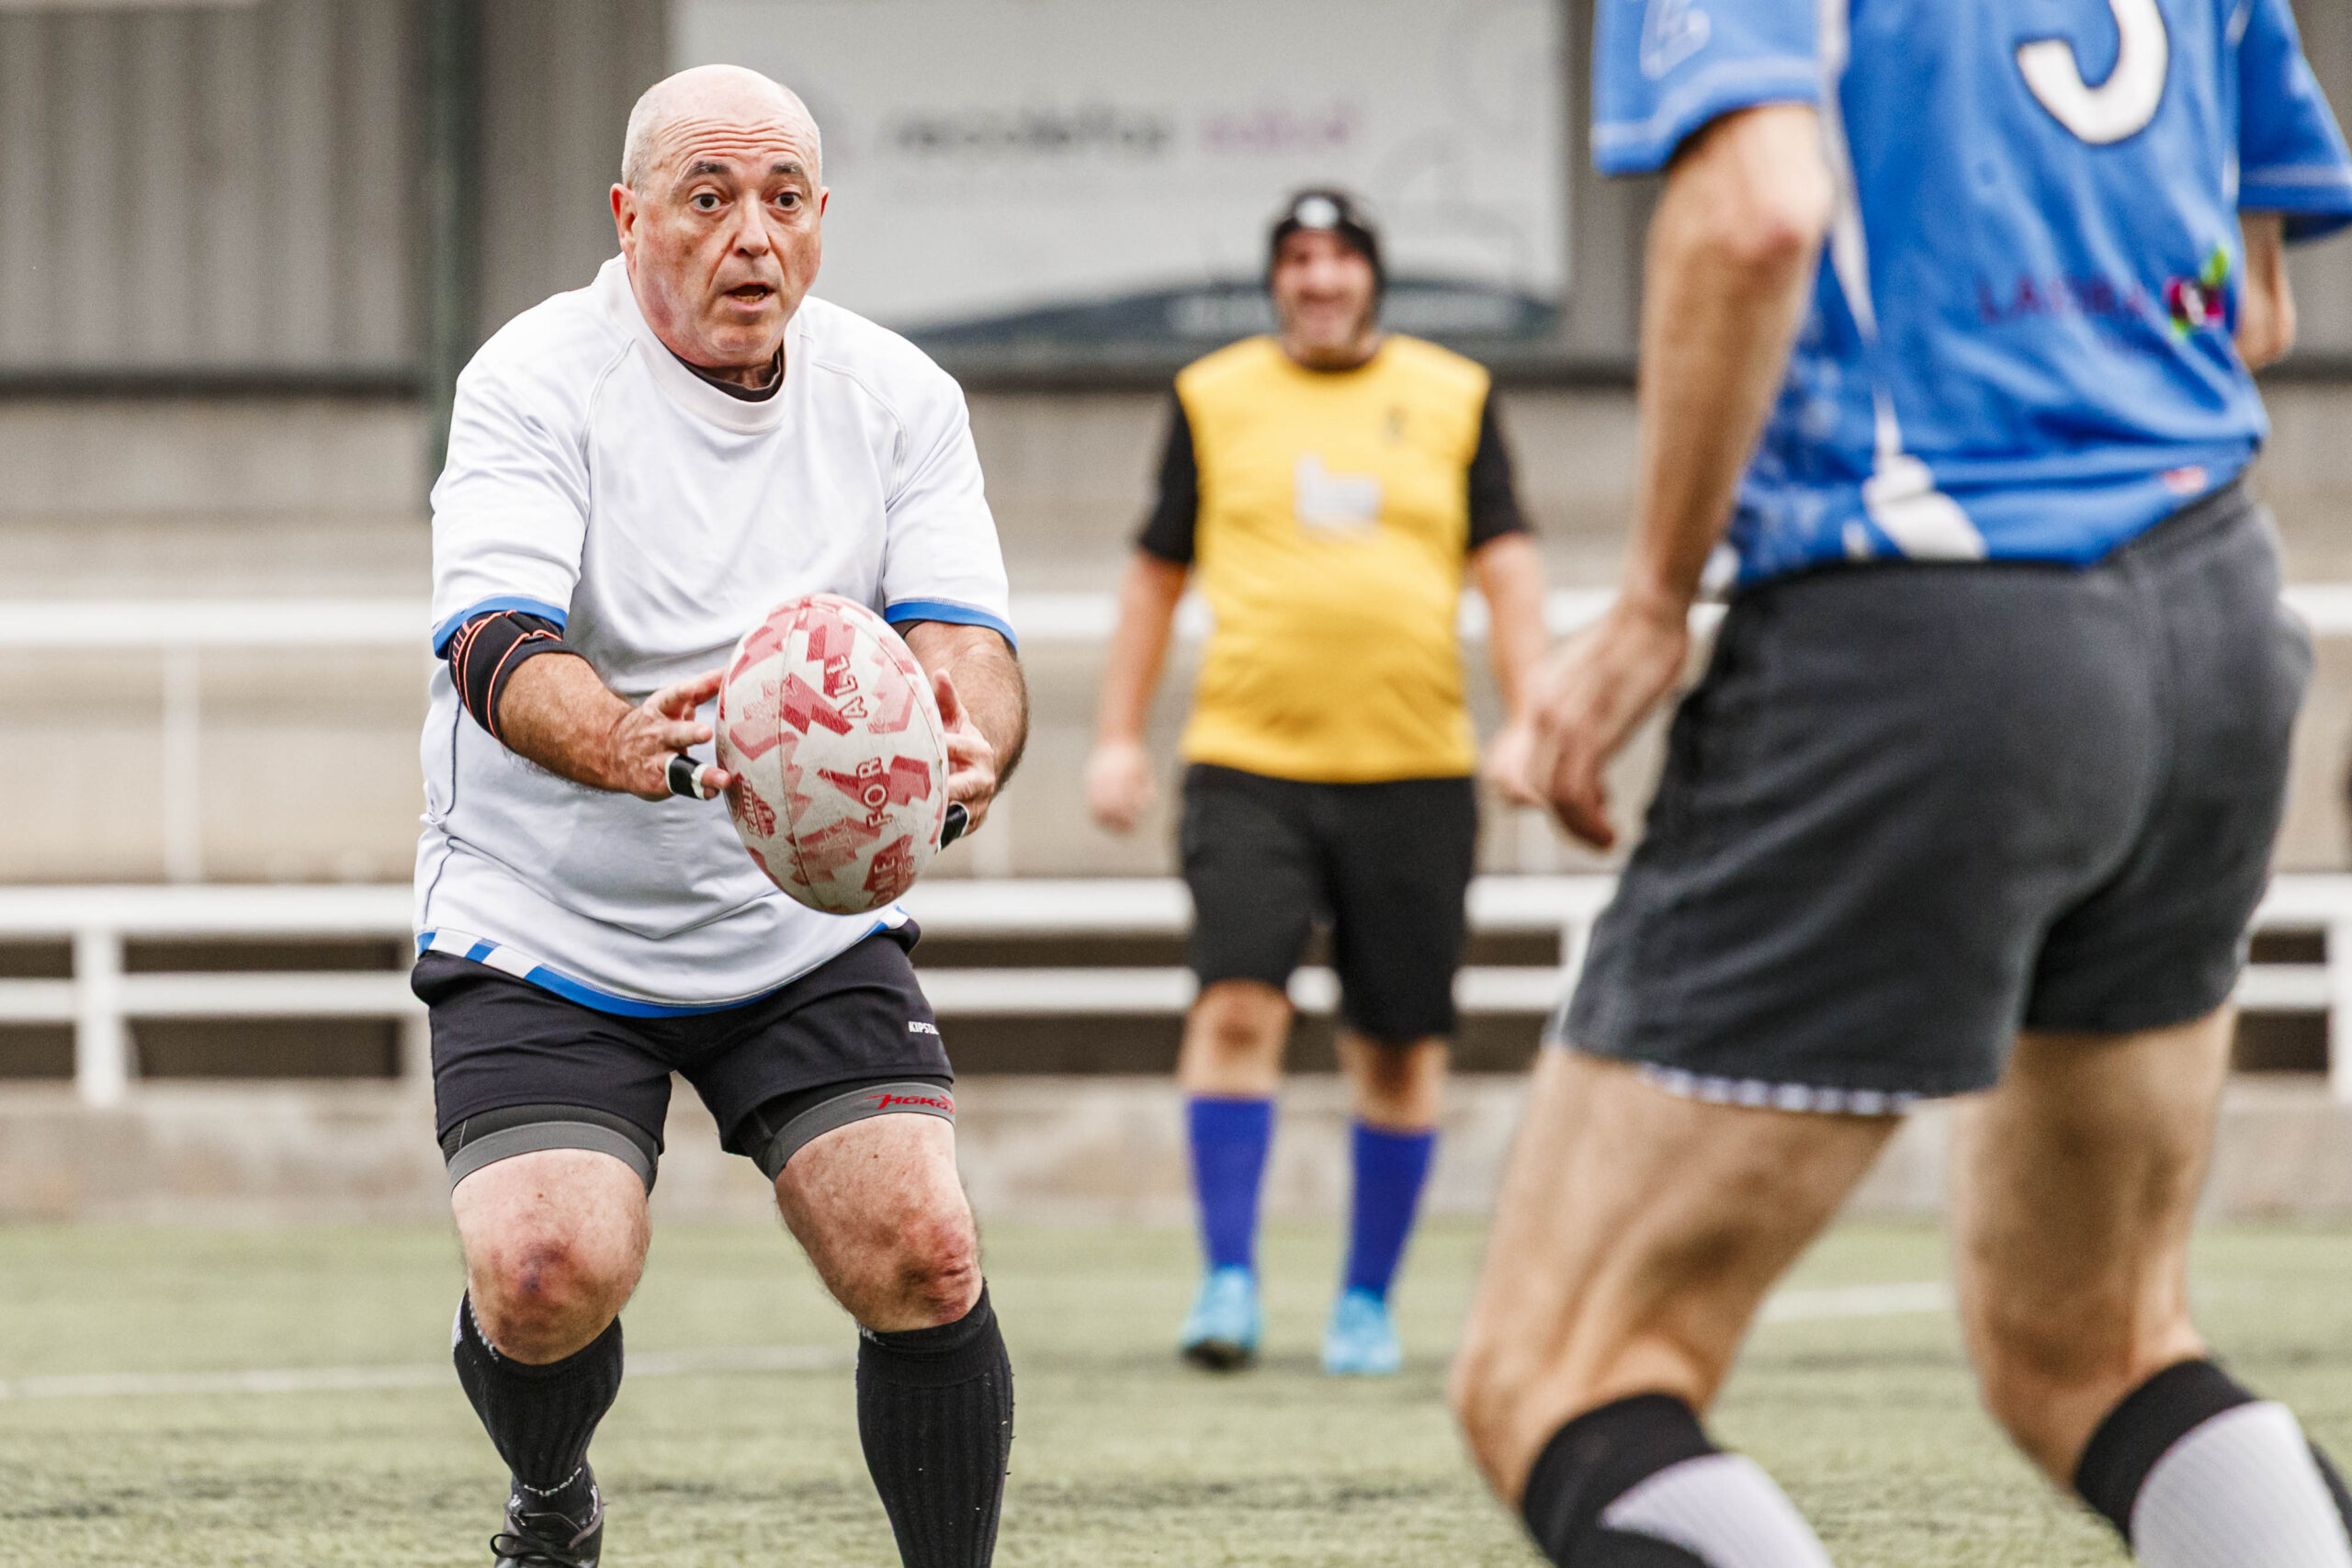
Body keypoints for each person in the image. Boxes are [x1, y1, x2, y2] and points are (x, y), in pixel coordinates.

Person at [1449, 2, 2352, 1563]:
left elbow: (1757, 213)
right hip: (2212, 612)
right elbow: (2250, 302)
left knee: (1561, 1372)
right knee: (2097, 1348)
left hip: (1928, 620)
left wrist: (1653, 604)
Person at [413, 65, 1025, 1568]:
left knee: (925, 1253)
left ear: (821, 219)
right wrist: (621, 739)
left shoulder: (896, 396)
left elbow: (968, 640)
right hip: (549, 915)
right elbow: (492, 640)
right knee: (544, 1274)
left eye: (784, 199)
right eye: (709, 198)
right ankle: (552, 1498)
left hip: (795, 919)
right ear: (629, 220)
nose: (752, 235)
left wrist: (963, 740)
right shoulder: (531, 379)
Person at [1085, 189, 1549, 1377]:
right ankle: (1228, 1282)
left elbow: (1507, 568)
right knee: (1236, 1009)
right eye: (1298, 258)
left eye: (1342, 258)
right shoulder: (1212, 394)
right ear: (1276, 280)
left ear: (1373, 277)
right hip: (1251, 768)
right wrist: (1117, 737)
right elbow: (1153, 578)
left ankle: (1365, 1303)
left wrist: (1534, 721)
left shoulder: (1455, 394)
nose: (1321, 278)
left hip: (1418, 773)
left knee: (1397, 1048)